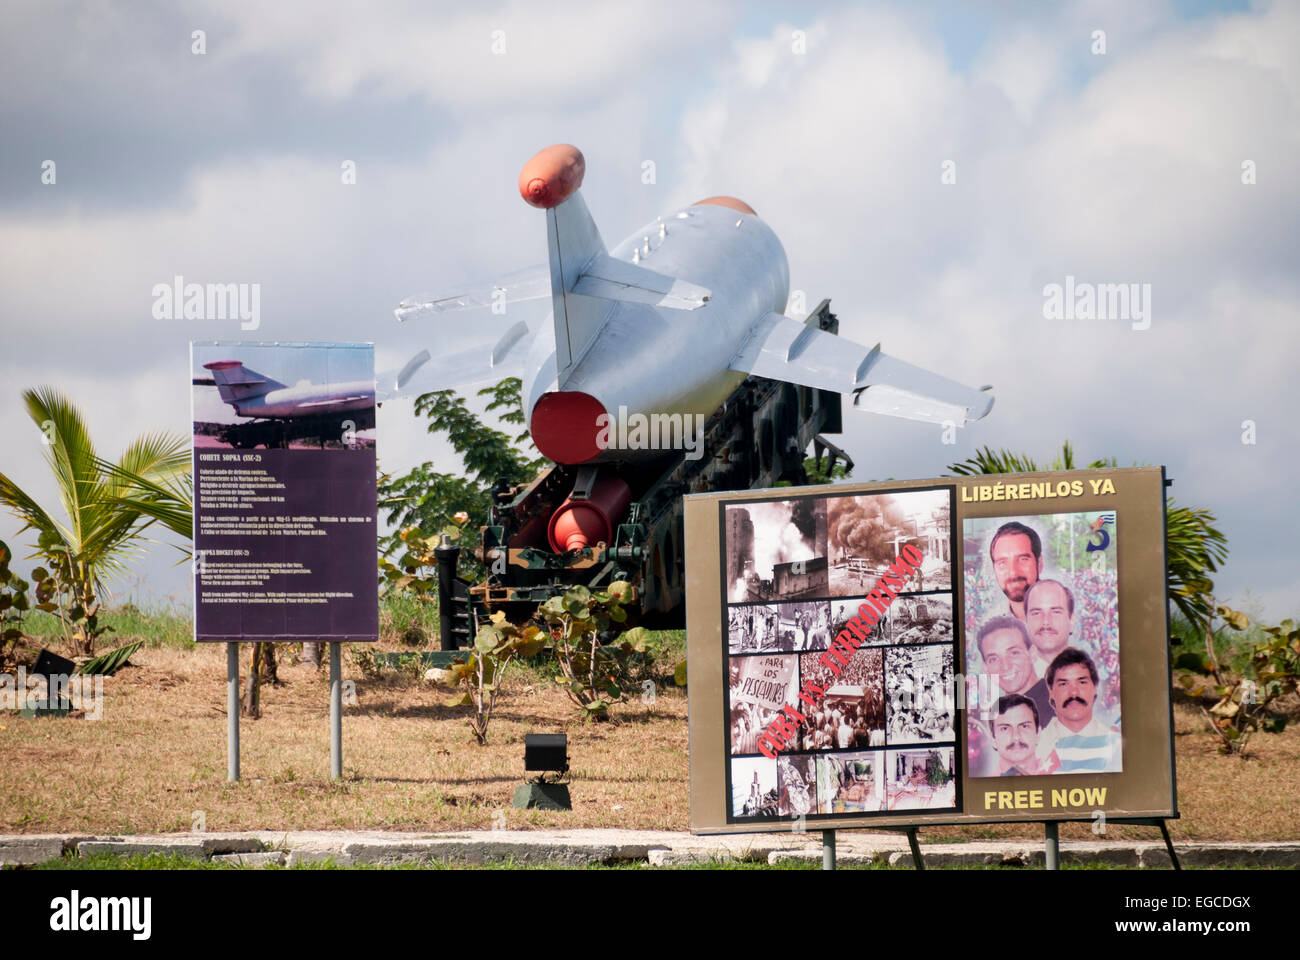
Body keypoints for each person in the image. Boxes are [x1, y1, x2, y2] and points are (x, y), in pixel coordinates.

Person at [1037, 649, 1122, 773]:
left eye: (1082, 682)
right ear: (1051, 691)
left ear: (1095, 688)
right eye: (1063, 684)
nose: (1074, 692)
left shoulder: (1116, 747)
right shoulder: (1035, 747)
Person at [975, 616, 1052, 729]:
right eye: (994, 659)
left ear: (1032, 654)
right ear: (986, 668)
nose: (1005, 666)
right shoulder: (995, 716)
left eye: (1014, 653)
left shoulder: (1058, 702)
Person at [989, 694, 1058, 775]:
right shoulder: (983, 786)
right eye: (1005, 728)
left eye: (1024, 726)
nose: (1016, 736)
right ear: (993, 739)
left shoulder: (1060, 776)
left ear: (1038, 733)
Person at [988, 521, 1043, 620]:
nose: (1013, 572)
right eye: (1002, 563)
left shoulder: (1065, 612)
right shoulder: (989, 622)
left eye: (1023, 559)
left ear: (1039, 564)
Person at [1023, 579, 1075, 679]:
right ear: (1026, 622)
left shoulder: (1090, 676)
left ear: (1071, 621)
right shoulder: (1005, 679)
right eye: (1036, 613)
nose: (1046, 621)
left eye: (1056, 612)